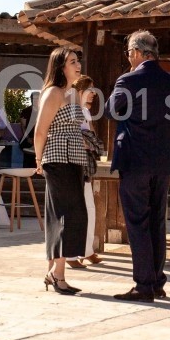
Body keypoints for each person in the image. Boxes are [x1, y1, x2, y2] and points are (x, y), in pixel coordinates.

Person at [103, 30, 170, 302]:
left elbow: (111, 111)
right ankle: (157, 282)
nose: (128, 58)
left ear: (136, 52)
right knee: (157, 222)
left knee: (138, 222)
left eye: (128, 53)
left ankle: (144, 285)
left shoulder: (128, 79)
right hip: (162, 160)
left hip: (135, 159)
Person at [34, 47, 92, 295]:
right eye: (71, 61)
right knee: (64, 216)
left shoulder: (72, 93)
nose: (77, 65)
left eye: (78, 60)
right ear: (60, 67)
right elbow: (40, 130)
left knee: (76, 214)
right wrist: (39, 159)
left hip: (75, 159)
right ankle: (57, 274)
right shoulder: (53, 93)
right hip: (57, 159)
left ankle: (54, 271)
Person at [67, 77, 105, 269]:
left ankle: (87, 250)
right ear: (79, 91)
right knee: (76, 210)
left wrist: (90, 143)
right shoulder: (71, 110)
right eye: (90, 89)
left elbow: (92, 139)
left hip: (85, 166)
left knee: (89, 208)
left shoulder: (85, 112)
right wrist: (89, 143)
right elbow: (79, 139)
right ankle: (71, 255)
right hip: (73, 165)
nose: (93, 93)